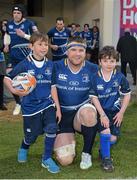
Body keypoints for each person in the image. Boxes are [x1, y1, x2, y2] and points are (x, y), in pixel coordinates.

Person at [4, 32, 61, 173]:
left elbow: (53, 87)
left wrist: (58, 108)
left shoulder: (50, 65)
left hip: (47, 104)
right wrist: (14, 90)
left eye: (45, 44)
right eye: (40, 44)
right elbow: (7, 77)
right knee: (32, 136)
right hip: (30, 107)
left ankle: (46, 158)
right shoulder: (24, 64)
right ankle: (24, 146)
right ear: (31, 46)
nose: (43, 47)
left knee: (52, 128)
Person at [53, 36, 98, 170]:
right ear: (67, 51)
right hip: (62, 115)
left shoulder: (93, 69)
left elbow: (111, 84)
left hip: (81, 112)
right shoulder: (56, 66)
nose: (77, 54)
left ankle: (86, 154)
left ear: (85, 53)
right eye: (73, 50)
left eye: (81, 50)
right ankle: (61, 139)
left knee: (89, 113)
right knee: (65, 160)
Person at [90, 46, 131, 172]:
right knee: (106, 132)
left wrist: (121, 113)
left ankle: (103, 149)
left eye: (112, 61)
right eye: (106, 60)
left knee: (112, 138)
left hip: (115, 112)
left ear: (116, 62)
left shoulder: (120, 77)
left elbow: (127, 94)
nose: (109, 64)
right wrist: (101, 114)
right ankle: (106, 160)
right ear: (100, 61)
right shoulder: (95, 77)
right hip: (101, 111)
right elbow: (93, 97)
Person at [4, 4, 38, 115]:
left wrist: (24, 35)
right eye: (14, 13)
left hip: (26, 56)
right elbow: (7, 34)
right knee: (10, 78)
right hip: (13, 56)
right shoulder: (9, 24)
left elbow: (37, 37)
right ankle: (18, 103)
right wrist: (6, 44)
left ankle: (31, 103)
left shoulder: (29, 23)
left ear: (22, 14)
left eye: (18, 13)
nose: (16, 15)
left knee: (31, 79)